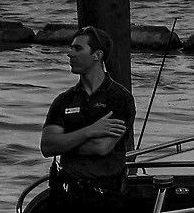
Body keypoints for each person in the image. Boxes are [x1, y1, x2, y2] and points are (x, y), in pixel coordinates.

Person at [39, 25, 136, 212]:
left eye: (77, 48)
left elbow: (101, 147)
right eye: (70, 48)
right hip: (64, 196)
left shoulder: (119, 98)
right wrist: (90, 131)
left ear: (97, 55)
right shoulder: (64, 100)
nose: (70, 54)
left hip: (105, 197)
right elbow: (47, 146)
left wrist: (65, 143)